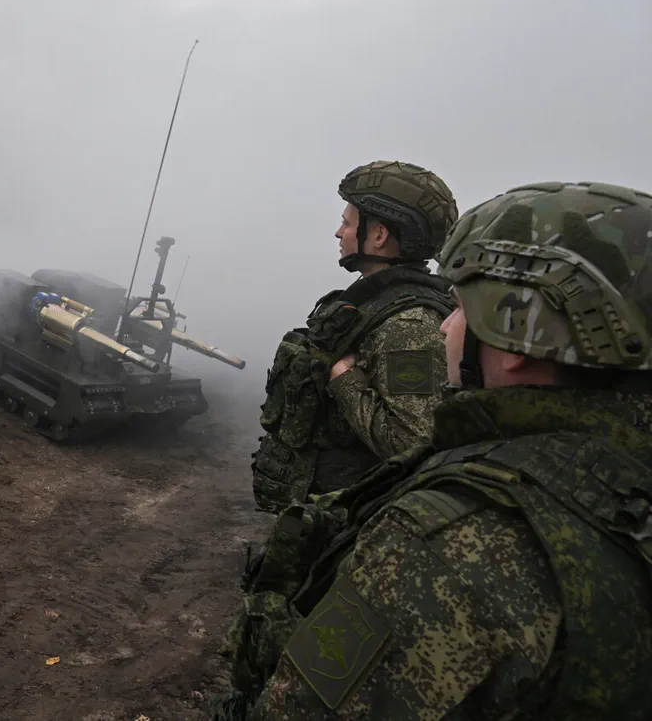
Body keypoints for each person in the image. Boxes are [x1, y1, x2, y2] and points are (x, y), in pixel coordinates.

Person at [209, 180, 652, 720]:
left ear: (516, 334)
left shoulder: (453, 540)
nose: (445, 325)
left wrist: (345, 380)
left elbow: (411, 436)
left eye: (462, 308)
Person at [252, 160, 460, 513]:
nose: (339, 233)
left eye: (347, 223)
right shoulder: (371, 302)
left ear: (379, 235)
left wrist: (343, 381)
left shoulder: (408, 325)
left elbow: (414, 443)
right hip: (328, 519)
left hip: (360, 520)